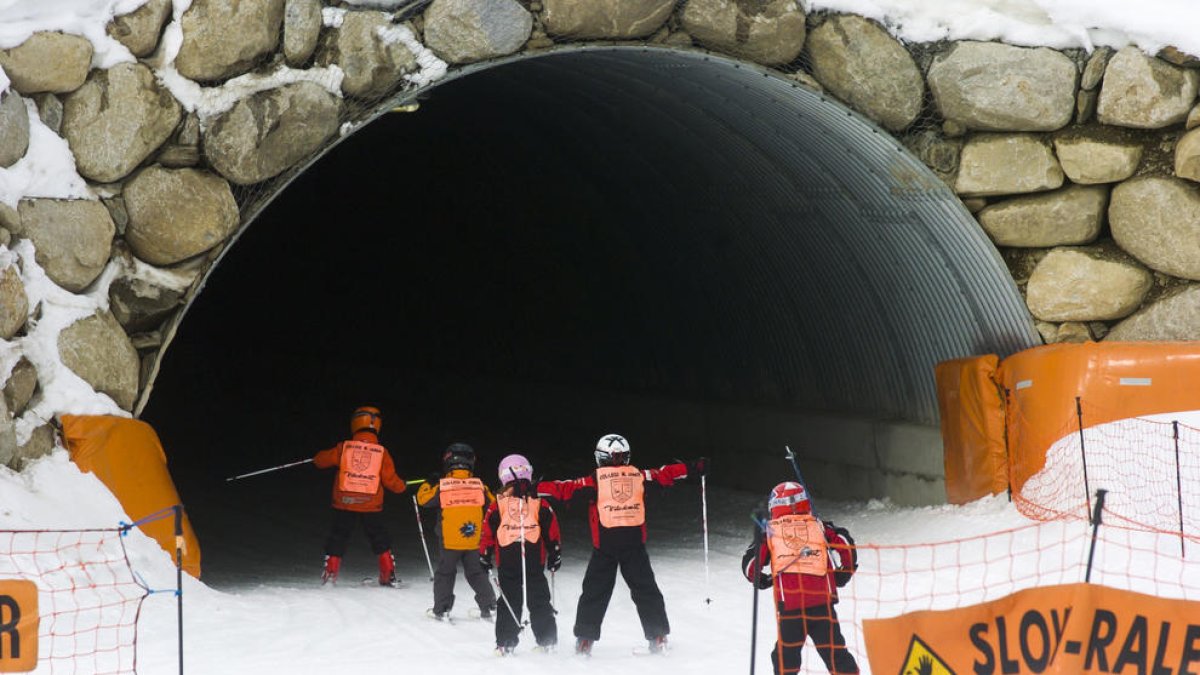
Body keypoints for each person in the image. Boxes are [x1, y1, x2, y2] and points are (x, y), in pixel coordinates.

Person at [536, 433, 707, 655]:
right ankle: (658, 636)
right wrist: (694, 467)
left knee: (594, 593)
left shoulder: (594, 480)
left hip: (605, 547)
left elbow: (564, 489)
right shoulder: (639, 476)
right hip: (634, 545)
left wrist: (533, 489)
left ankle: (585, 640)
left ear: (600, 457)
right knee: (646, 591)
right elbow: (665, 474)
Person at [742, 481, 859, 675]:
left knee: (785, 657)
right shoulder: (819, 526)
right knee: (836, 655)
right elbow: (847, 544)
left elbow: (750, 566)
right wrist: (844, 573)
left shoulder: (770, 532)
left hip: (791, 607)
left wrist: (762, 580)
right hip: (822, 603)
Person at [312, 406, 408, 586]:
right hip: (370, 504)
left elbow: (321, 460)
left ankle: (331, 573)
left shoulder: (344, 447)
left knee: (339, 534)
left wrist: (316, 458)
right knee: (378, 535)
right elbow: (390, 480)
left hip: (345, 503)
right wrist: (402, 487)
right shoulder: (381, 452)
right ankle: (388, 572)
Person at [479, 453, 561, 655]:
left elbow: (487, 532)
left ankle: (507, 642)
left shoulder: (497, 505)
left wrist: (484, 554)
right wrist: (554, 551)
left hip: (509, 561)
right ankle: (546, 639)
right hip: (533, 561)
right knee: (538, 599)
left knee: (511, 600)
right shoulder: (539, 502)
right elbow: (552, 530)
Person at [416, 442, 498, 620]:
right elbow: (494, 504)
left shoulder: (443, 486)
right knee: (477, 572)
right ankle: (489, 605)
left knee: (445, 573)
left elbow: (423, 499)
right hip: (474, 539)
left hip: (449, 541)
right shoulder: (479, 485)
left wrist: (428, 482)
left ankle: (442, 609)